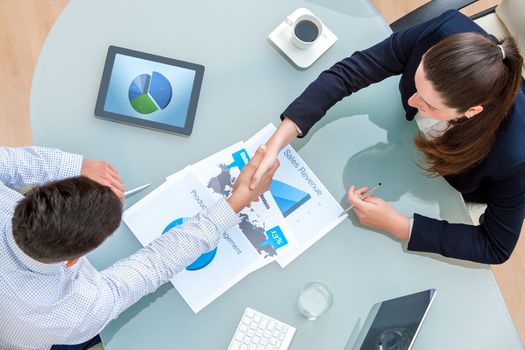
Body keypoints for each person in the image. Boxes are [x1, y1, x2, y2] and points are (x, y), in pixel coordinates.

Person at [249, 10, 525, 265]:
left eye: (429, 104)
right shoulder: (441, 32)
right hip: (404, 143)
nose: (413, 100)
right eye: (416, 84)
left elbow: (495, 247)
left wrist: (399, 225)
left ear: (472, 111)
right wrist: (276, 143)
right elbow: (350, 72)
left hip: (448, 184)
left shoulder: (516, 158)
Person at [0, 145, 278, 349]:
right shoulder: (70, 311)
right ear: (75, 260)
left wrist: (74, 166)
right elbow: (153, 265)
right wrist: (236, 202)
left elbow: (8, 162)